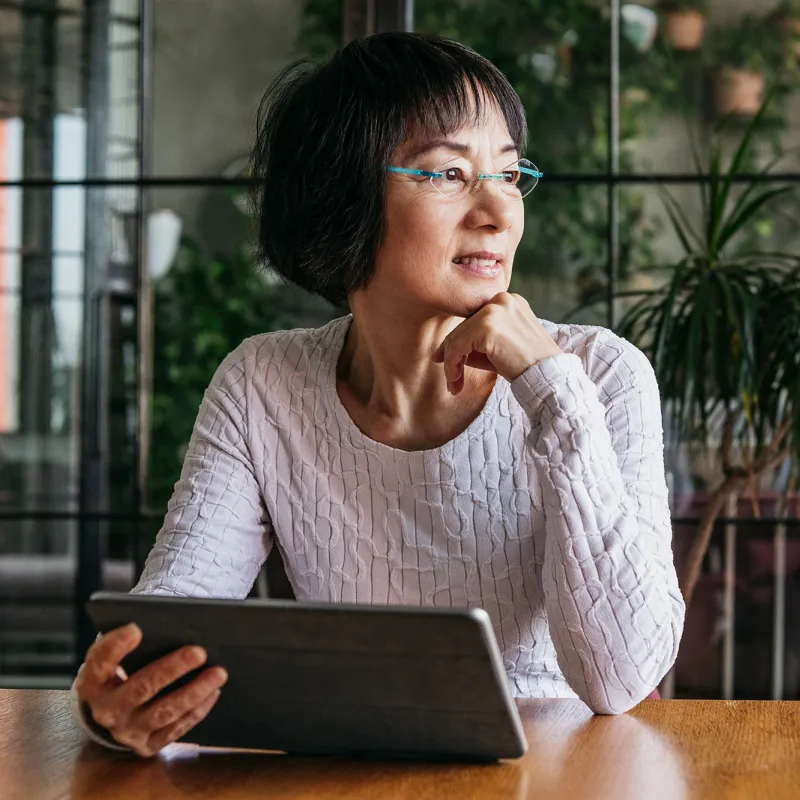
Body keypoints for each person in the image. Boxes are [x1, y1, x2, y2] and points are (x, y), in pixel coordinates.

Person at [73, 32, 685, 757]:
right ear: (343, 195)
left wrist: (552, 390)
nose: (497, 210)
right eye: (448, 173)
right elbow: (171, 620)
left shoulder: (600, 373)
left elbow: (620, 679)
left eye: (511, 173)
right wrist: (116, 705)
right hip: (344, 774)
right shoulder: (262, 383)